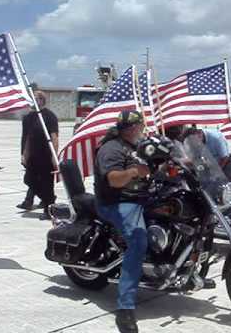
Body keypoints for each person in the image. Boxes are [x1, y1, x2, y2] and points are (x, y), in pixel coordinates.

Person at [94, 110, 150, 333]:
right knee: (138, 240)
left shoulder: (135, 146)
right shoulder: (111, 148)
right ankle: (125, 308)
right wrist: (135, 171)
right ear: (131, 128)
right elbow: (114, 179)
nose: (141, 130)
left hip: (140, 197)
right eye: (140, 126)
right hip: (116, 202)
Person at [20, 91, 59, 220]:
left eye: (36, 98)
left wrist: (54, 154)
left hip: (46, 155)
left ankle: (49, 210)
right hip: (33, 155)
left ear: (42, 101)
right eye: (32, 98)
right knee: (29, 180)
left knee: (47, 183)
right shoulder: (28, 118)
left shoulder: (50, 116)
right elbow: (26, 138)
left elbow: (54, 136)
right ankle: (49, 199)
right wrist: (24, 154)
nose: (33, 101)